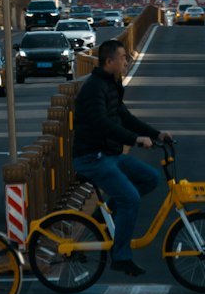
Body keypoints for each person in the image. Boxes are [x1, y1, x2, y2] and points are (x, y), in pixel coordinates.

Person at [72, 37, 172, 278]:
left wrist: (155, 134)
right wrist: (135, 140)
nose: (126, 61)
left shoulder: (112, 84)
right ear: (109, 61)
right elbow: (102, 124)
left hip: (109, 154)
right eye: (123, 58)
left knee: (149, 178)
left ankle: (100, 223)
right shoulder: (95, 88)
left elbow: (125, 118)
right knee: (129, 199)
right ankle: (121, 256)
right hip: (92, 157)